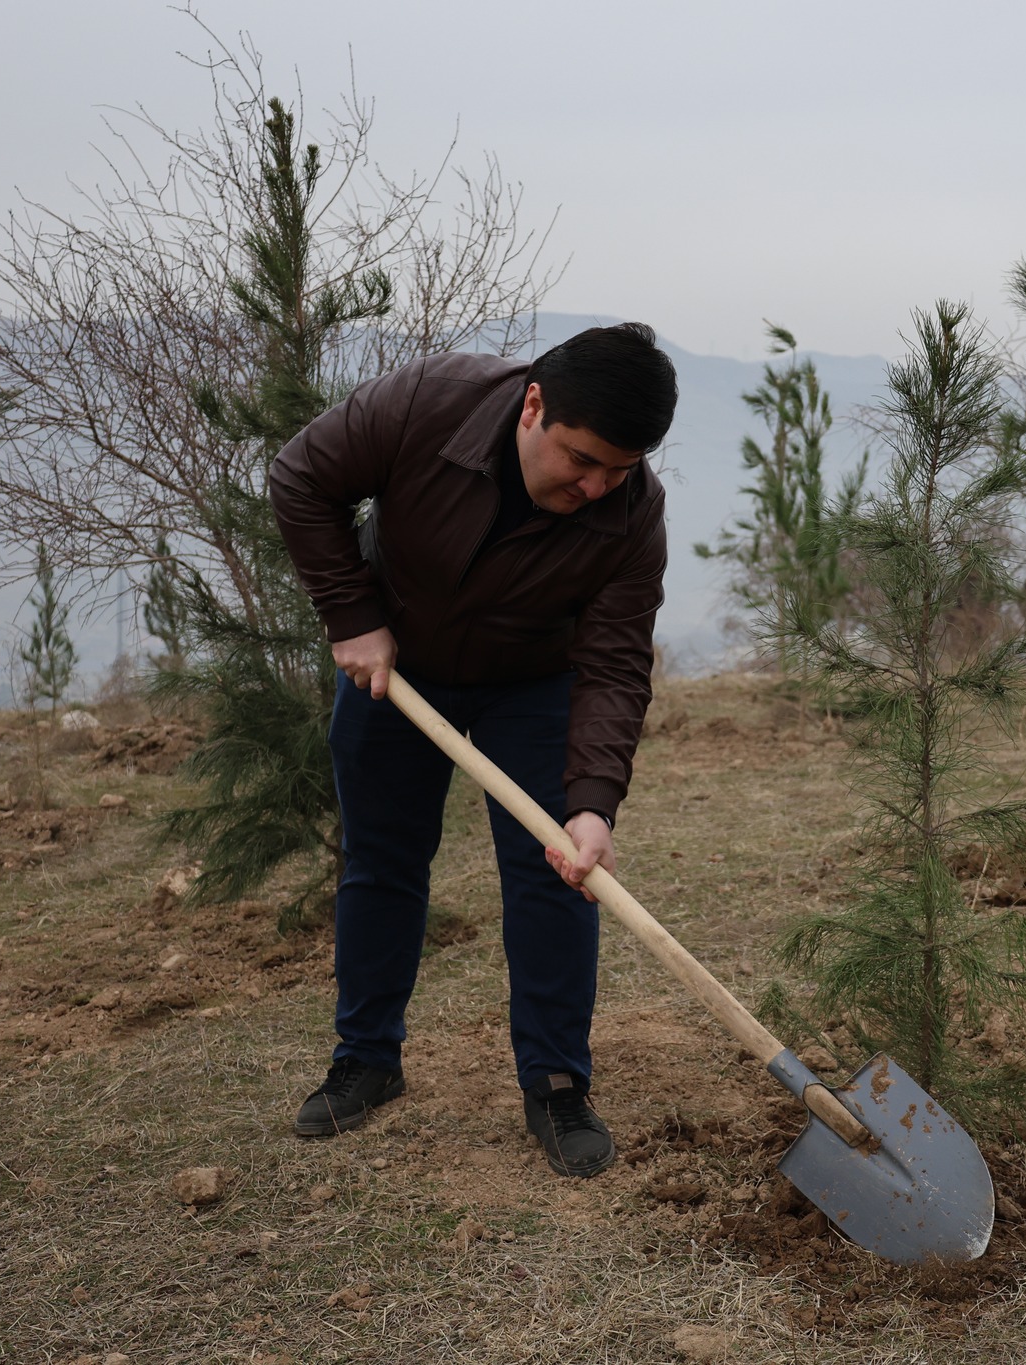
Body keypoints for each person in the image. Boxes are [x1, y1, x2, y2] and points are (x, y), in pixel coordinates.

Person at [268, 323, 677, 1177]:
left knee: (557, 868)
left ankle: (558, 1081)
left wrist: (594, 800)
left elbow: (614, 662)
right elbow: (302, 478)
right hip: (397, 665)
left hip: (534, 683)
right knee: (380, 861)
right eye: (583, 459)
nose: (599, 485)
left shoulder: (632, 515)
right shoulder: (428, 404)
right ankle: (366, 1059)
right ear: (534, 405)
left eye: (622, 468)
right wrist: (352, 615)